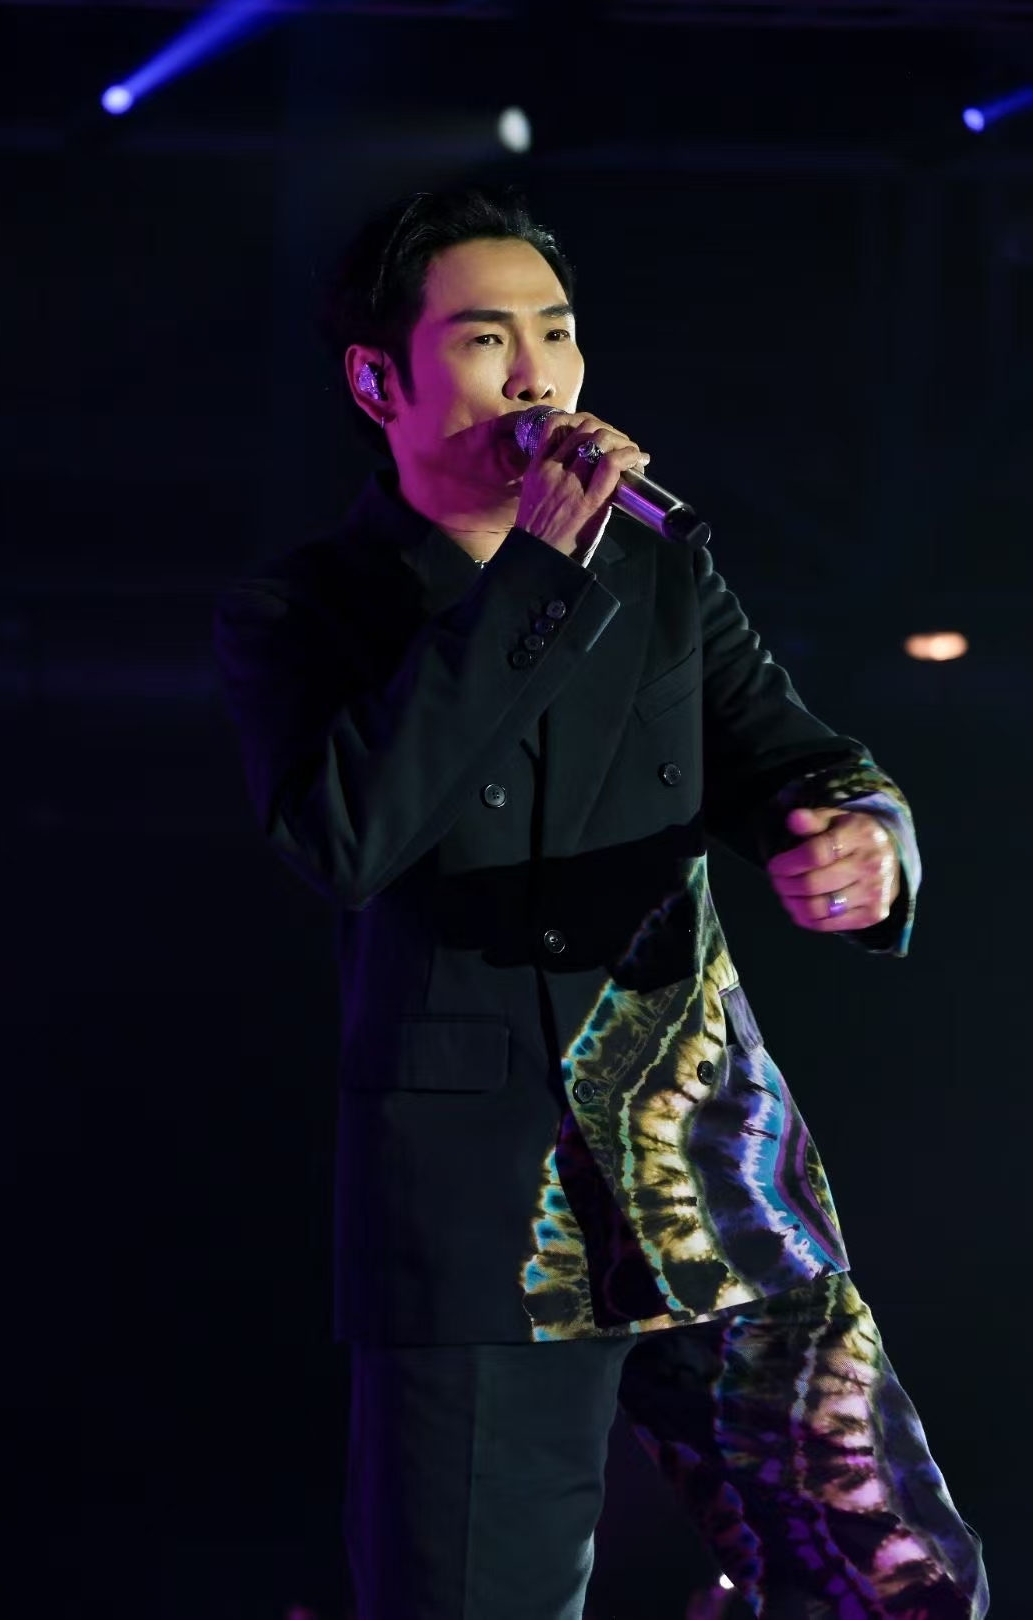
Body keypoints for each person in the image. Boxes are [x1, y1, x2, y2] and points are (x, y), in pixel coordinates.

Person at [214, 186, 988, 1620]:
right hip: (487, 1208)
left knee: (899, 1582)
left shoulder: (658, 567)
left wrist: (871, 839)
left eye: (559, 333)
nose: (539, 377)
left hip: (711, 1172)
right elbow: (346, 835)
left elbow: (796, 756)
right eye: (487, 340)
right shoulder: (304, 608)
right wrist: (530, 579)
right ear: (378, 382)